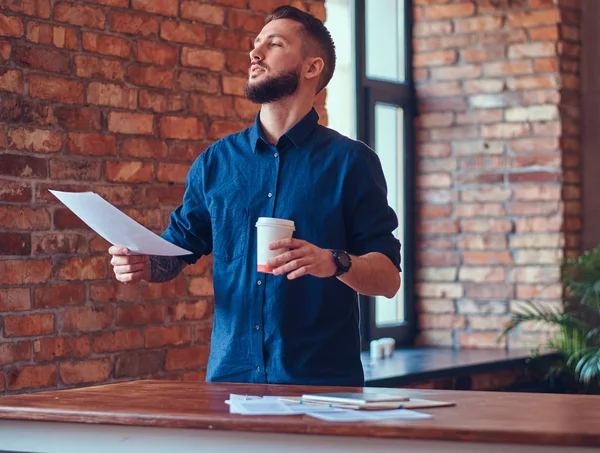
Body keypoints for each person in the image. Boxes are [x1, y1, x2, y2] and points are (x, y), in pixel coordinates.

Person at [109, 5, 401, 387]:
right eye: (255, 44)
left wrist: (334, 261)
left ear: (312, 67)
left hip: (322, 386)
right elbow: (177, 249)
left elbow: (388, 279)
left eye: (274, 44)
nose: (255, 53)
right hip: (232, 381)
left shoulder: (352, 163)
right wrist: (144, 263)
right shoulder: (215, 162)